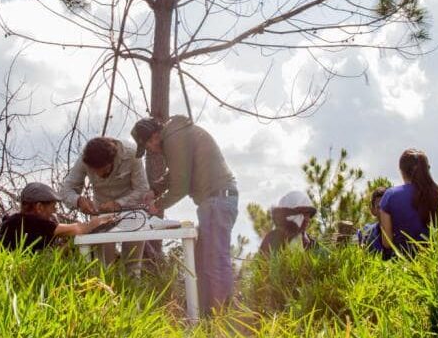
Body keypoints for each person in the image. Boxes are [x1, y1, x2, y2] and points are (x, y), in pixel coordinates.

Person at [132, 115, 238, 315]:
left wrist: (158, 206)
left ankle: (222, 321)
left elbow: (180, 186)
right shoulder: (177, 135)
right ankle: (206, 319)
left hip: (217, 200)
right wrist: (154, 190)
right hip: (214, 202)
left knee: (214, 262)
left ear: (154, 137)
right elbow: (176, 173)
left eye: (148, 146)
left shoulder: (174, 139)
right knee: (204, 263)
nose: (151, 151)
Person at [58, 136, 150, 267]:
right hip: (101, 215)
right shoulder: (85, 158)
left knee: (133, 266)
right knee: (104, 266)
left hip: (132, 212)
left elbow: (142, 189)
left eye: (103, 169)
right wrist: (78, 201)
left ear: (113, 159)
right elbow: (66, 189)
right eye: (95, 171)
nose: (99, 175)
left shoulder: (132, 153)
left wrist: (118, 203)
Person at [0, 182, 115, 252]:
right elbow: (78, 229)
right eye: (53, 206)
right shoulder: (33, 222)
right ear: (39, 207)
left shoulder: (14, 220)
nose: (55, 210)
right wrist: (100, 220)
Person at [379, 149, 438, 257]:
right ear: (427, 169)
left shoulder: (390, 196)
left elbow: (387, 243)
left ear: (401, 171)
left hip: (402, 266)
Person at [258, 190, 319, 255]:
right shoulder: (272, 239)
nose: (307, 219)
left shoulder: (312, 243)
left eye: (308, 214)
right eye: (302, 213)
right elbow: (263, 263)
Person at [355, 185, 392, 258]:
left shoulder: (402, 233)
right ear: (373, 211)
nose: (384, 210)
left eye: (388, 206)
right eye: (380, 207)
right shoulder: (366, 233)